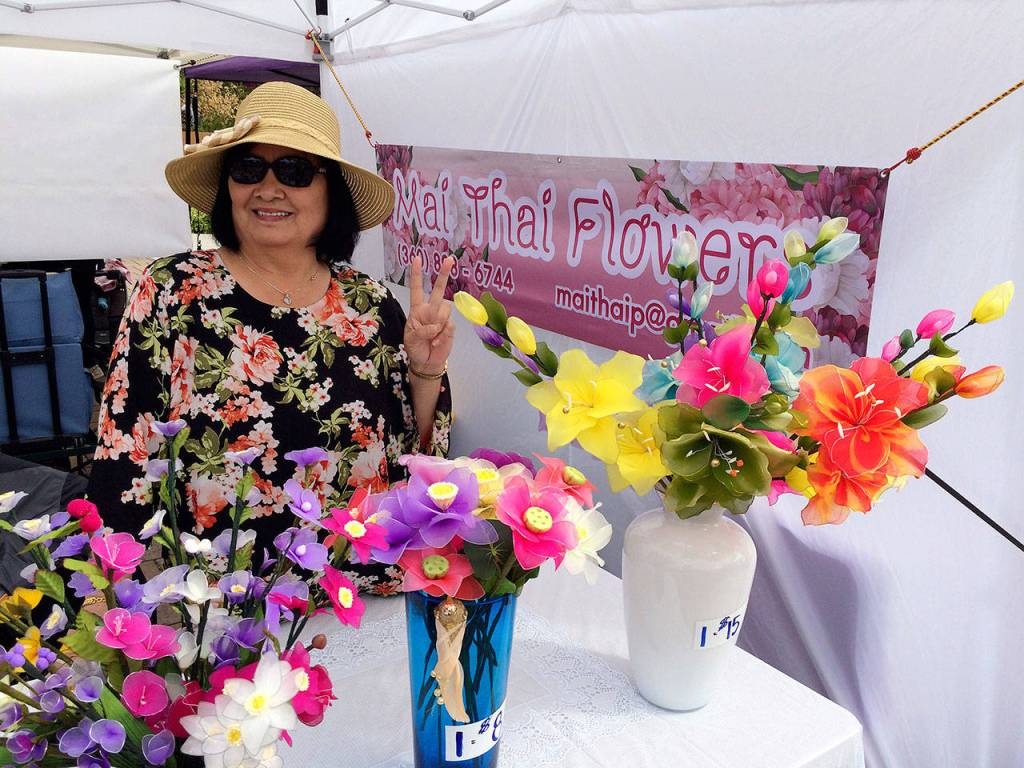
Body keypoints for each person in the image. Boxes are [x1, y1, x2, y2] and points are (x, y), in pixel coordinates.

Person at [87, 81, 456, 594]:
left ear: (332, 192)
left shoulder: (371, 304)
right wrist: (107, 596)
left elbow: (413, 451)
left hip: (362, 592)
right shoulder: (174, 293)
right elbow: (124, 450)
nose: (268, 188)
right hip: (233, 609)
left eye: (294, 171)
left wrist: (425, 370)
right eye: (247, 168)